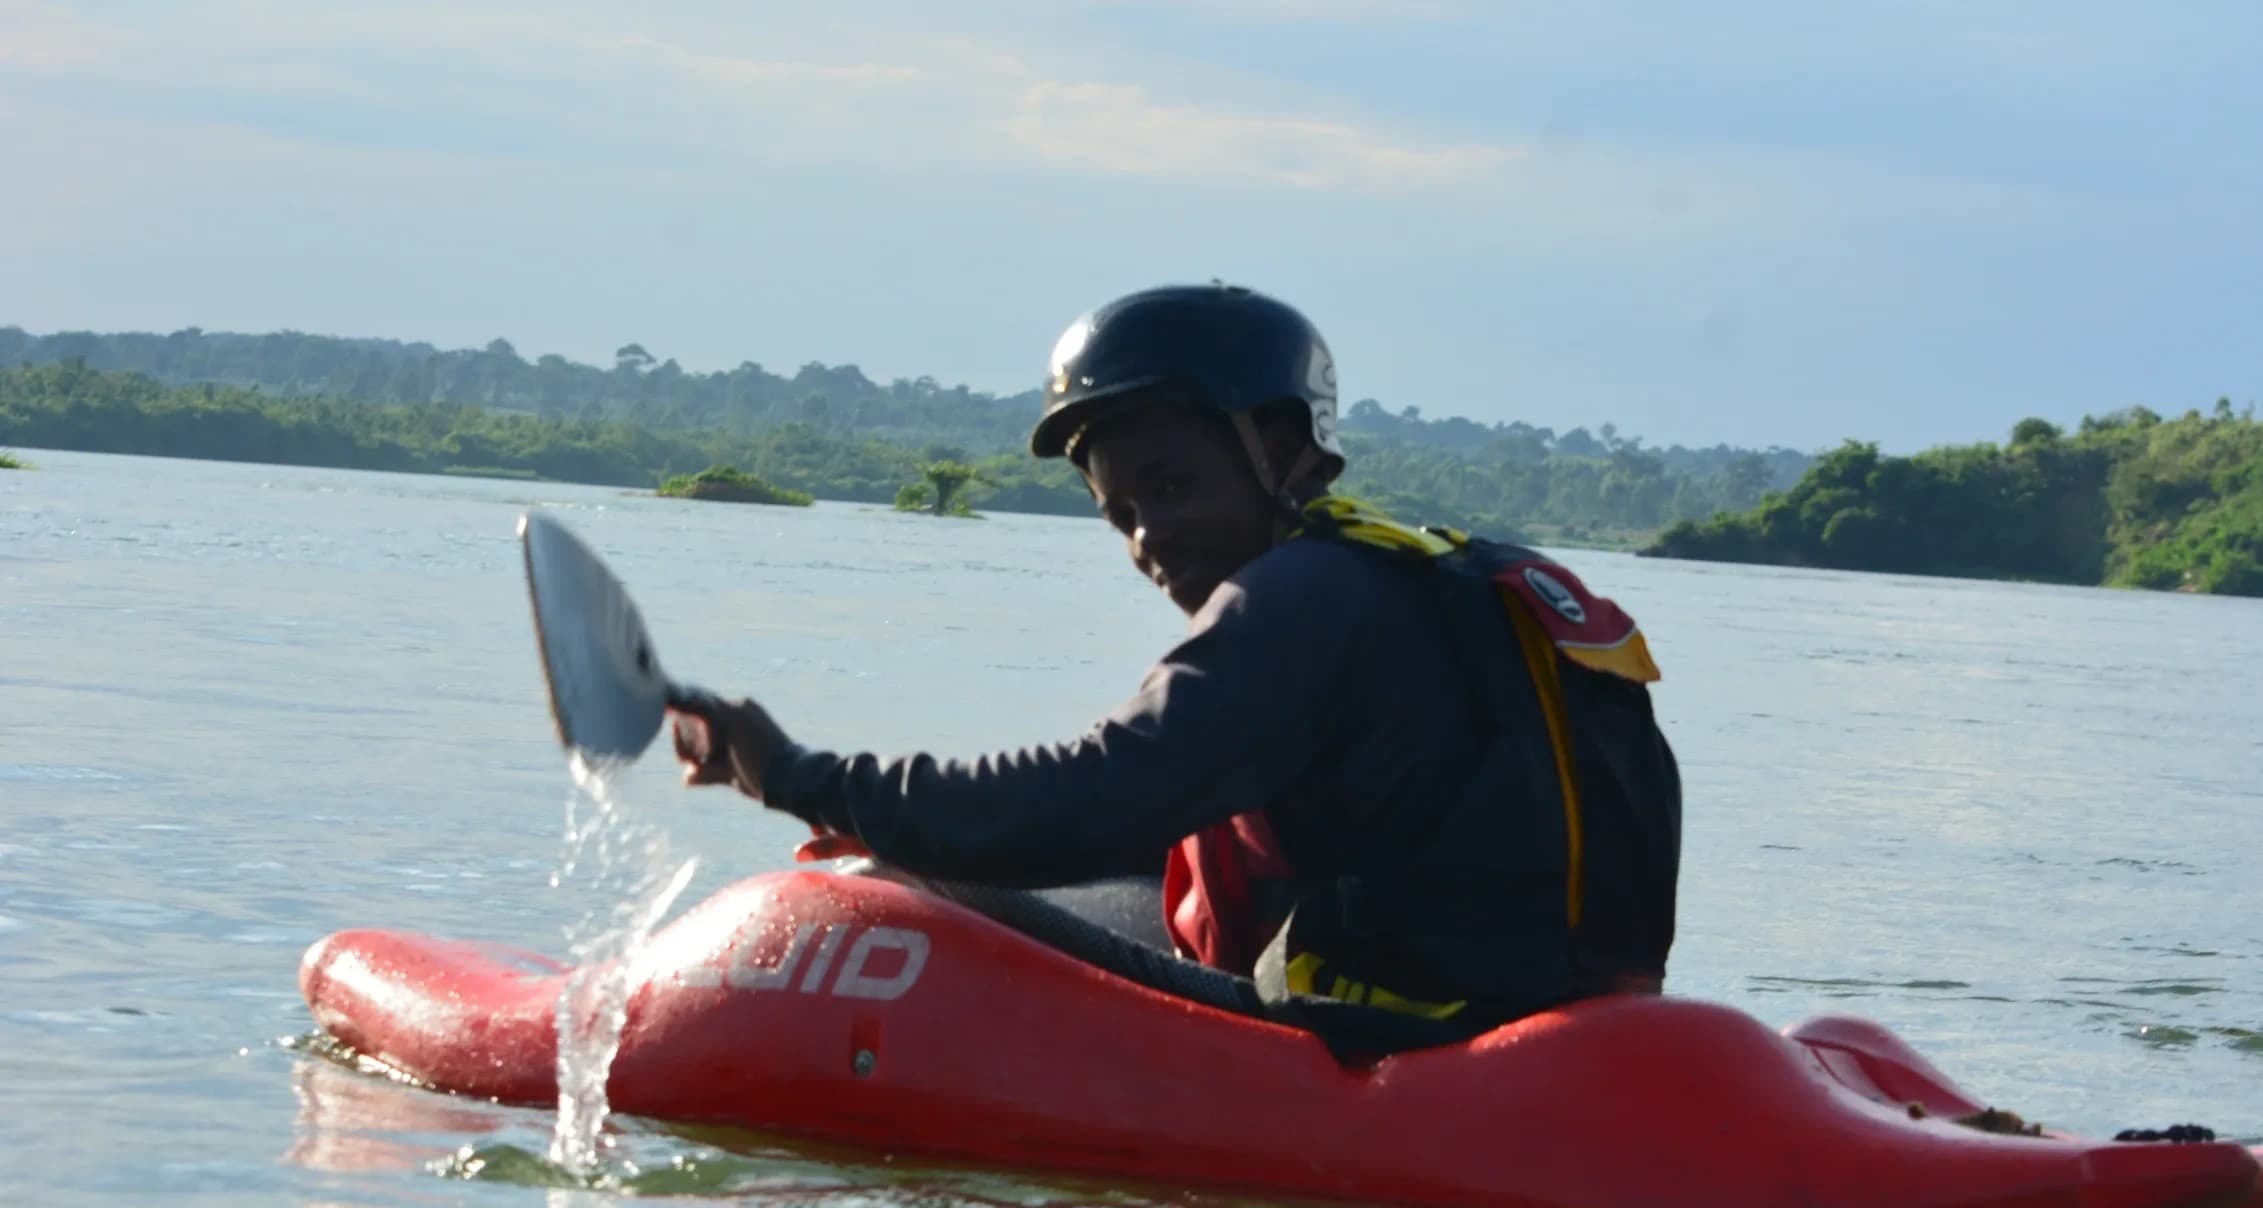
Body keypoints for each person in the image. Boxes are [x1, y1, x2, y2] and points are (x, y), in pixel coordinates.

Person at [673, 283, 1681, 1043]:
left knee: (874, 889)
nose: (1151, 536)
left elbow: (1092, 795)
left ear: (1284, 449)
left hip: (1406, 1044)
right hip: (1554, 1024)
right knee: (1116, 884)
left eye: (1173, 483)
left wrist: (803, 777)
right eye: (1122, 513)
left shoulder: (1298, 597)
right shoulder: (1426, 580)